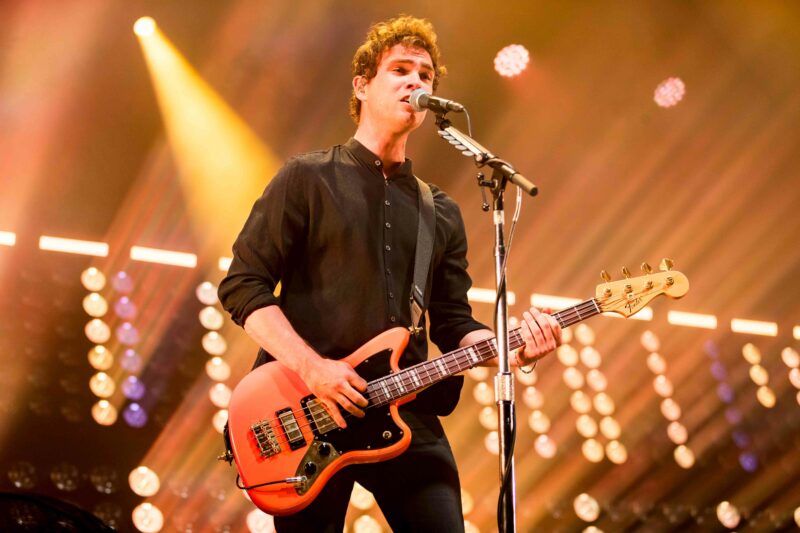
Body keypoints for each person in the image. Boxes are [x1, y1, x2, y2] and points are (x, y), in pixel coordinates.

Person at [218, 15, 561, 532]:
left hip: (406, 406)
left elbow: (452, 322)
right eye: (400, 70)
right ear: (362, 86)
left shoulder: (439, 211)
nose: (415, 82)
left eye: (425, 75)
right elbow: (243, 284)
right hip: (307, 406)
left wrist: (510, 348)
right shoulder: (307, 178)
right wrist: (314, 369)